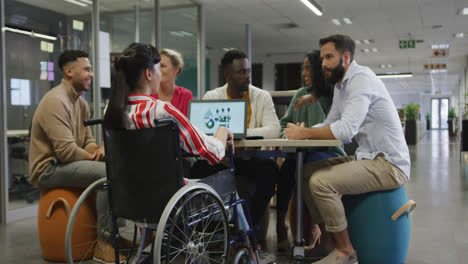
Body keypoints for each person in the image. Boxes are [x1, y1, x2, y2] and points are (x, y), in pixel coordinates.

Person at [103, 43, 258, 262]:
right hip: (169, 199)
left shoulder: (113, 113)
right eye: (159, 69)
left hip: (128, 197)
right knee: (231, 192)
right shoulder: (162, 110)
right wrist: (222, 132)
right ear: (149, 73)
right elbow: (212, 153)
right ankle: (248, 251)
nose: (160, 74)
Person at [284, 34, 410, 264]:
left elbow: (346, 129)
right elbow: (331, 121)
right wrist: (306, 129)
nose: (323, 63)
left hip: (389, 164)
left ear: (346, 57)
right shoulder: (341, 86)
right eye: (322, 58)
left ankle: (345, 251)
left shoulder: (361, 79)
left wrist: (306, 134)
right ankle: (329, 241)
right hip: (368, 158)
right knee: (308, 171)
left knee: (321, 182)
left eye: (329, 57)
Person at [28, 50, 117, 262]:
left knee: (114, 166)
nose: (91, 74)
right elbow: (66, 151)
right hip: (49, 169)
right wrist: (94, 157)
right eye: (86, 69)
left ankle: (116, 236)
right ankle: (105, 244)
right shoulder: (56, 101)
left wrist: (97, 150)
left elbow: (87, 141)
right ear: (69, 71)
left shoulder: (80, 103)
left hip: (66, 163)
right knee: (106, 175)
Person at [202, 49, 280, 258]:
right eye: (241, 72)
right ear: (228, 75)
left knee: (270, 171)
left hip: (253, 159)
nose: (247, 76)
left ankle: (248, 237)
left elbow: (273, 129)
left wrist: (238, 133)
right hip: (224, 160)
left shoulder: (261, 96)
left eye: (248, 71)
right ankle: (226, 237)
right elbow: (203, 130)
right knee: (199, 168)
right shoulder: (213, 97)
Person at [277, 51, 345, 253]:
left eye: (308, 67)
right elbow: (283, 125)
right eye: (303, 67)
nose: (303, 72)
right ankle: (281, 226)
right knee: (286, 173)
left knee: (310, 169)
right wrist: (288, 134)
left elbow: (323, 129)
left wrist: (313, 100)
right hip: (300, 153)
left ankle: (323, 232)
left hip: (328, 152)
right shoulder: (300, 94)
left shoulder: (333, 95)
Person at [150, 48, 193, 116]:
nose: (159, 70)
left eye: (163, 66)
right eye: (158, 66)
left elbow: (188, 124)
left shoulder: (186, 96)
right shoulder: (149, 94)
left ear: (176, 69)